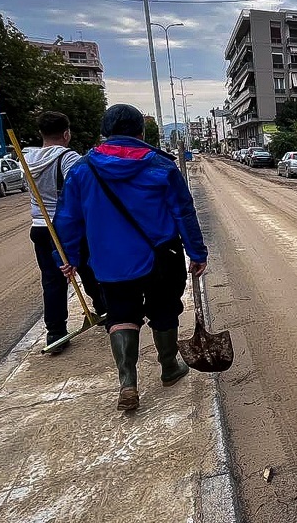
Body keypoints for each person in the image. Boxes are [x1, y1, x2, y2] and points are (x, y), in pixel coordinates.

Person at [52, 104, 208, 411]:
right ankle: (169, 368)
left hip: (110, 262)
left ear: (105, 133)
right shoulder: (161, 166)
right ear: (142, 132)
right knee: (164, 310)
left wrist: (67, 257)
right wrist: (196, 251)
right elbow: (183, 212)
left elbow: (68, 220)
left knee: (121, 316)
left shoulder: (83, 170)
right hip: (161, 256)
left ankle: (128, 383)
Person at [23, 111, 106, 354]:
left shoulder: (25, 158)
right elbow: (80, 194)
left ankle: (55, 332)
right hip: (67, 226)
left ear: (41, 134)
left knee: (52, 281)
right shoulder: (69, 159)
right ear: (67, 133)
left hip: (39, 226)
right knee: (89, 270)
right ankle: (104, 310)